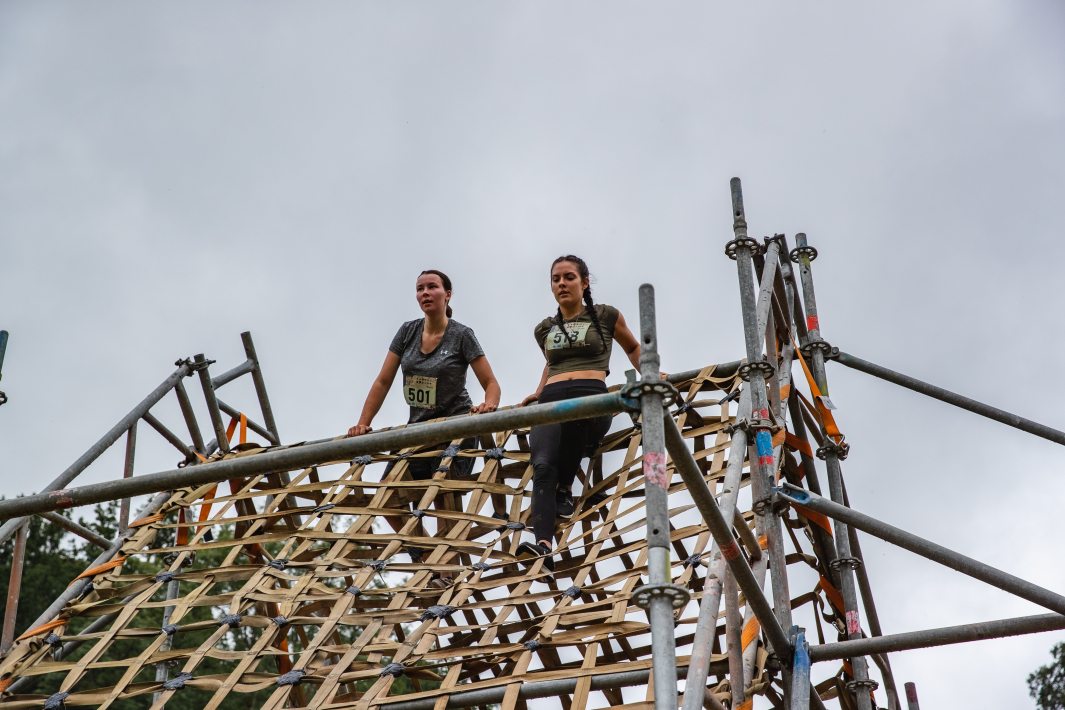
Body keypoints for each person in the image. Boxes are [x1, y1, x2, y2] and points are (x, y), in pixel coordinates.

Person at [348, 269, 500, 586]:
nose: (425, 293)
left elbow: (490, 383)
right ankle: (428, 554)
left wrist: (489, 405)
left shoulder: (461, 334)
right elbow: (383, 381)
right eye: (420, 288)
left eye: (432, 287)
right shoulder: (407, 332)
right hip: (418, 432)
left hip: (455, 427)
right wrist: (363, 423)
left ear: (447, 294)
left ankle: (445, 576)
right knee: (386, 496)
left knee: (443, 495)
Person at [517, 255, 656, 571]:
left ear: (584, 282)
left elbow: (633, 348)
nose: (562, 284)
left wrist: (650, 372)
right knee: (542, 466)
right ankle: (543, 548)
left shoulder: (605, 315)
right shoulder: (544, 328)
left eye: (569, 277)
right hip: (551, 400)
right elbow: (552, 363)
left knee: (577, 418)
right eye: (556, 279)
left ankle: (565, 486)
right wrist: (539, 391)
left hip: (592, 400)